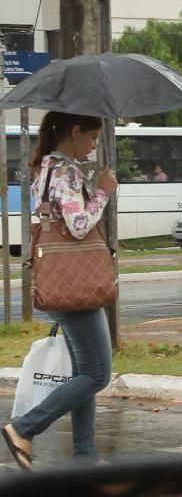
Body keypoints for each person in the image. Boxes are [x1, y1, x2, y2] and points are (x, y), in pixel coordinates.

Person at [2, 111, 118, 469]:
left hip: (59, 279)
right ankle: (24, 427)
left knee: (82, 371)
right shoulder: (65, 171)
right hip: (76, 284)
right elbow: (79, 224)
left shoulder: (47, 168)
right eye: (93, 137)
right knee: (97, 374)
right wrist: (103, 192)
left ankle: (86, 455)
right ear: (75, 130)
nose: (95, 144)